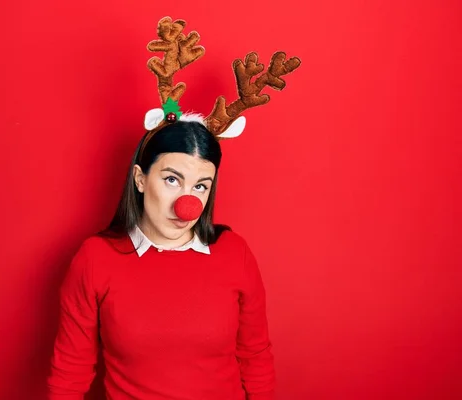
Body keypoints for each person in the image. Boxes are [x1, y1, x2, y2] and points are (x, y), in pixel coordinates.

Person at [46, 16, 300, 400]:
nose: (187, 203)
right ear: (139, 179)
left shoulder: (235, 254)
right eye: (171, 179)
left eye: (201, 185)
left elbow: (255, 356)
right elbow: (71, 370)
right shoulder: (95, 259)